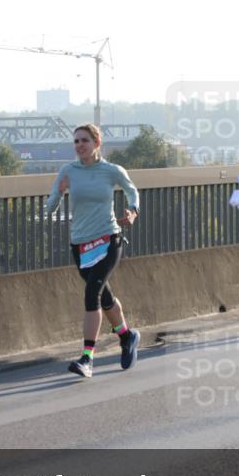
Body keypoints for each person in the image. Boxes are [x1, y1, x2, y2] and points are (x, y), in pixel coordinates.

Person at [45, 124, 141, 378]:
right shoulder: (68, 171)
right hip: (80, 244)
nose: (80, 145)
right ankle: (127, 336)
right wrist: (60, 192)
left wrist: (132, 211)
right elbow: (49, 208)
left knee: (92, 293)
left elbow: (132, 191)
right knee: (104, 297)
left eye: (84, 140)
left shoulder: (111, 171)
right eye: (76, 141)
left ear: (97, 143)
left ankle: (87, 358)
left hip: (108, 239)